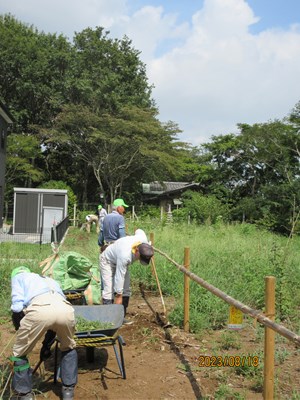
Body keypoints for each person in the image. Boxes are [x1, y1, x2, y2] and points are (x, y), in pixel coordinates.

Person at [10, 266, 78, 400]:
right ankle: (68, 391)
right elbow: (54, 320)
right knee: (68, 347)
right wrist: (46, 345)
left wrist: (20, 328)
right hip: (66, 310)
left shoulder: (18, 277)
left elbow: (17, 307)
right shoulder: (48, 279)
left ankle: (24, 394)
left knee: (19, 353)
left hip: (39, 310)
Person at [99, 228, 154, 319]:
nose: (139, 260)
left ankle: (121, 316)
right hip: (107, 261)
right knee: (109, 289)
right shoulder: (125, 255)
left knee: (126, 288)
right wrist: (118, 295)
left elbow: (139, 230)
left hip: (120, 260)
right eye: (140, 258)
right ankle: (107, 317)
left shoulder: (143, 240)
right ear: (136, 250)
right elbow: (119, 277)